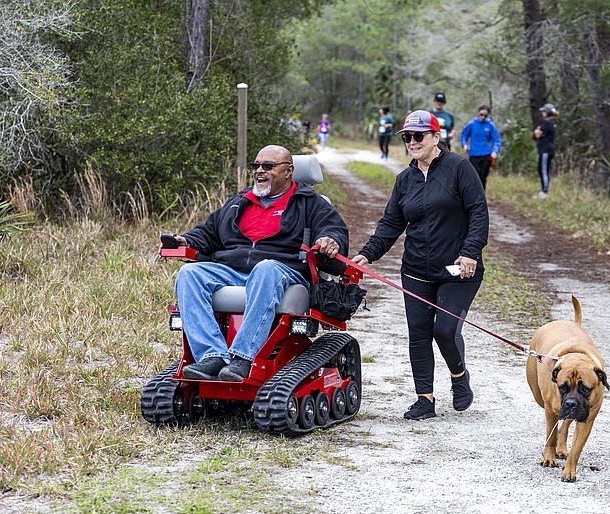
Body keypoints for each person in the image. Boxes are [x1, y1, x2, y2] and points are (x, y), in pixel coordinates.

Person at [350, 110, 489, 421]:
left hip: (458, 269)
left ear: (436, 137)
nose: (412, 142)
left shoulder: (459, 169)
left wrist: (470, 252)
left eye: (418, 136)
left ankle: (458, 377)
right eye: (407, 137)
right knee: (419, 332)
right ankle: (424, 399)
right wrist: (368, 254)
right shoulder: (405, 180)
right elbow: (391, 223)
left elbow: (478, 213)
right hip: (416, 270)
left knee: (445, 329)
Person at [169, 145, 349, 381]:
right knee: (189, 274)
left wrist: (329, 240)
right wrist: (185, 239)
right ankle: (212, 356)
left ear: (289, 171)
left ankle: (243, 357)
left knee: (265, 268)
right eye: (256, 166)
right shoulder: (239, 202)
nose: (259, 171)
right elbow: (208, 232)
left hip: (283, 270)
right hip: (233, 270)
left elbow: (333, 230)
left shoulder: (310, 203)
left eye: (268, 166)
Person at [460, 105, 502, 190]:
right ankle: (473, 198)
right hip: (474, 154)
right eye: (481, 114)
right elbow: (464, 135)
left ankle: (481, 198)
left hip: (486, 154)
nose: (483, 117)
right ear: (478, 113)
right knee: (475, 177)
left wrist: (495, 151)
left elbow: (496, 140)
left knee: (483, 177)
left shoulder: (490, 125)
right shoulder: (472, 124)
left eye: (485, 115)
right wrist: (464, 145)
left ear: (488, 115)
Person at [534, 103, 558, 199]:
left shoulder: (548, 124)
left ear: (547, 113)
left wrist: (538, 131)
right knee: (542, 169)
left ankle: (545, 192)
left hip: (546, 150)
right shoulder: (551, 124)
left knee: (543, 170)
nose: (542, 113)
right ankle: (543, 190)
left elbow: (537, 134)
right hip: (546, 150)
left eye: (544, 111)